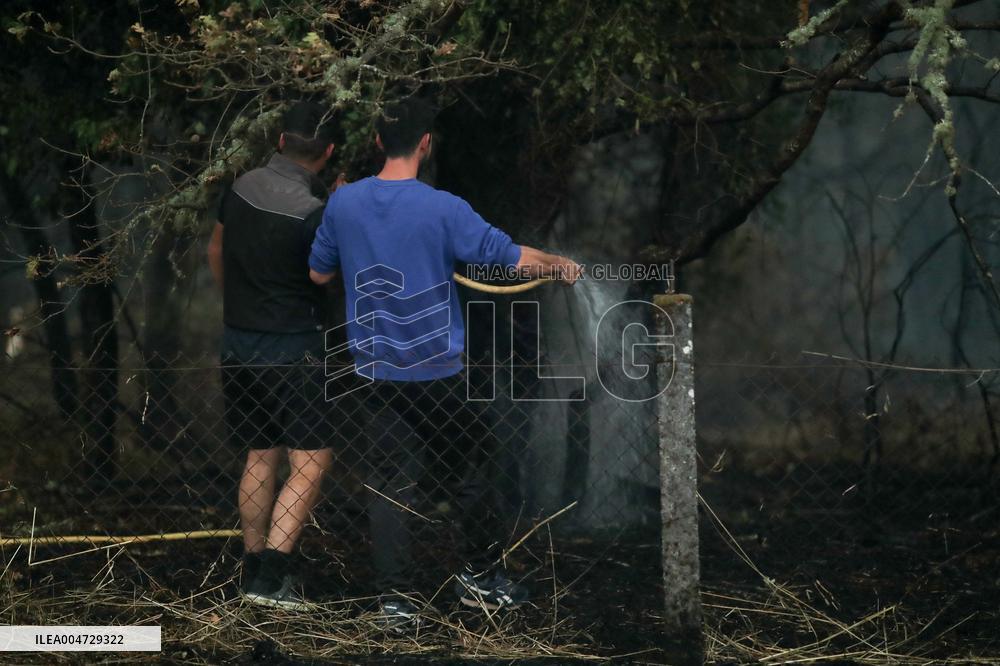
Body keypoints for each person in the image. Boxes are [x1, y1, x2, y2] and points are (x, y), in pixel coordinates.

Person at [308, 96, 579, 628]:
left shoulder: (344, 203)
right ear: (426, 144)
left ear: (379, 141)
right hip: (437, 374)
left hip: (373, 371)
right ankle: (480, 578)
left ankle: (394, 602)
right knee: (474, 466)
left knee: (389, 482)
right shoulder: (444, 208)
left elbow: (318, 274)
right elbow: (511, 257)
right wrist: (557, 264)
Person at [207, 101, 339, 610]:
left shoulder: (240, 187)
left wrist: (237, 305)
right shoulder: (314, 213)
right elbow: (324, 277)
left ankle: (252, 565)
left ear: (281, 141)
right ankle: (270, 581)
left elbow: (215, 251)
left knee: (259, 454)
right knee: (311, 461)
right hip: (294, 349)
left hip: (238, 342)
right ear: (328, 152)